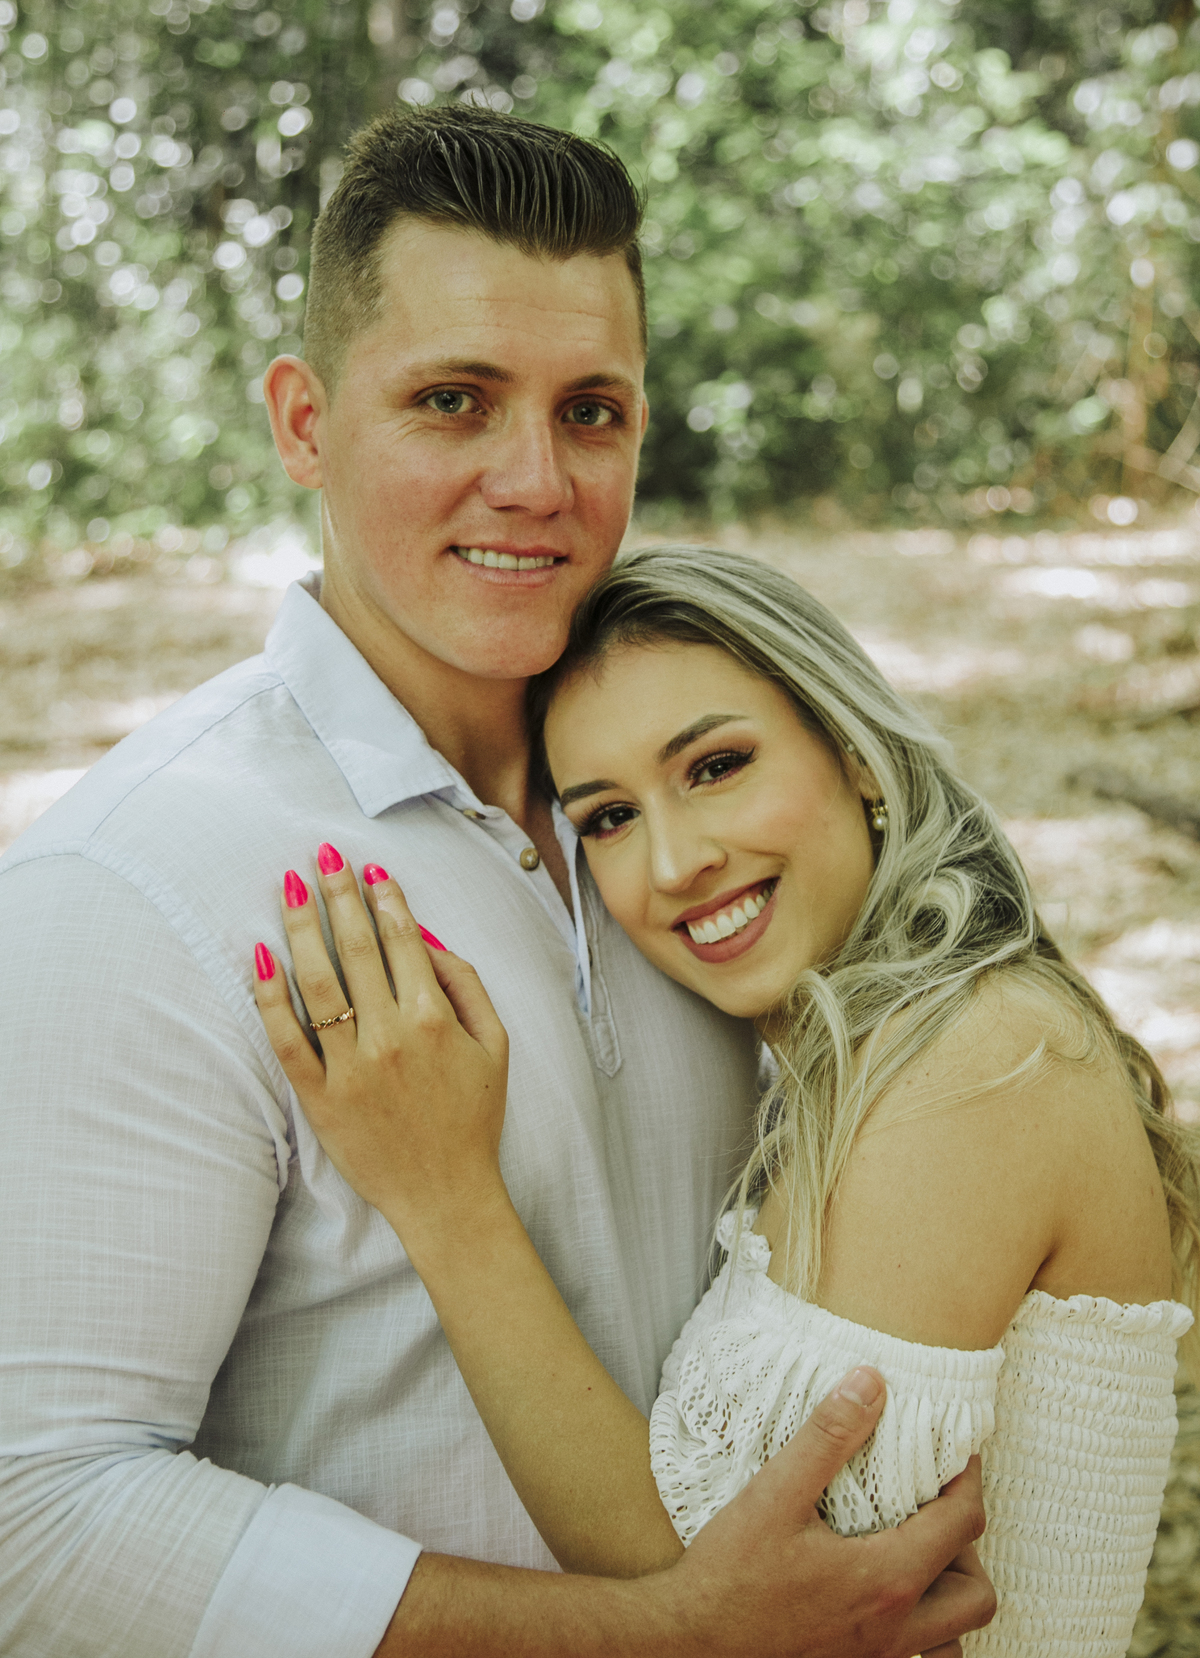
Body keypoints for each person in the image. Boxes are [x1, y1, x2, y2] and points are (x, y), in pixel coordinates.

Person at [0, 107, 995, 1657]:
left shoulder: (701, 830)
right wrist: (670, 1638)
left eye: (591, 411)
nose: (535, 480)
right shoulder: (134, 882)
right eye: (452, 402)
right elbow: (39, 1522)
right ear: (305, 424)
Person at [251, 543, 1199, 1654]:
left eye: (716, 766)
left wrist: (444, 1196)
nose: (674, 864)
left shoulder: (980, 1061)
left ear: (855, 753)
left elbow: (726, 1597)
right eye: (609, 818)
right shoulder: (867, 1055)